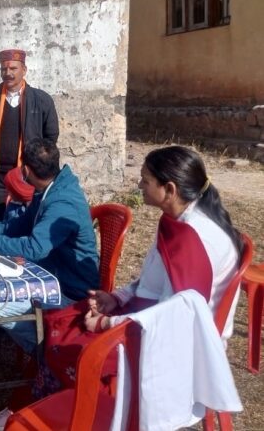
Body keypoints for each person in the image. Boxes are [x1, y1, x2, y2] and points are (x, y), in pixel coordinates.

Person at [44, 145, 244, 392]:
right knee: (64, 318)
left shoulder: (193, 240)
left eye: (145, 180)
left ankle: (84, 409)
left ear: (169, 189)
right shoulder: (177, 220)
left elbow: (173, 318)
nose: (139, 185)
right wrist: (117, 298)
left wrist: (107, 324)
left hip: (179, 345)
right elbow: (153, 280)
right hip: (156, 318)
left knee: (68, 347)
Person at [0, 137, 98, 431]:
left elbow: (36, 247)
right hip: (50, 277)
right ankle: (45, 357)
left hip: (69, 290)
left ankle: (47, 356)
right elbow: (22, 226)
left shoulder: (62, 202)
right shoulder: (49, 189)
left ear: (26, 170)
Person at [0, 49, 59, 222]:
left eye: (13, 68)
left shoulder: (41, 100)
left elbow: (51, 136)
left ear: (24, 70)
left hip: (27, 175)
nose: (8, 73)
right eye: (4, 69)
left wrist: (36, 166)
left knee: (23, 224)